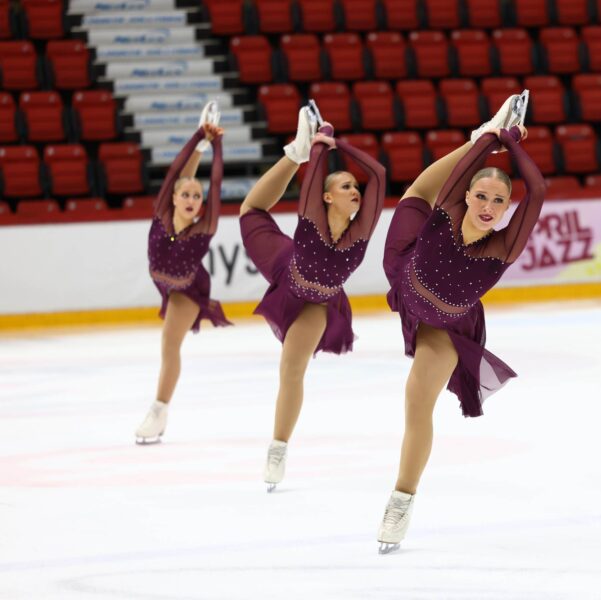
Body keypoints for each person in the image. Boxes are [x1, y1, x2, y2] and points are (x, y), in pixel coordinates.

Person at [377, 93, 546, 553]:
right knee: (415, 193)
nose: (489, 206)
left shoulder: (502, 247)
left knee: (417, 402)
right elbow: (447, 182)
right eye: (482, 196)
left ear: (509, 206)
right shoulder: (447, 214)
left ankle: (401, 499)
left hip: (447, 325)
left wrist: (510, 144)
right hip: (406, 268)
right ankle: (479, 130)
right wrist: (487, 139)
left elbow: (540, 191)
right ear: (467, 195)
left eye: (499, 200)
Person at [238, 103, 386, 491]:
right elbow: (312, 180)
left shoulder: (361, 230)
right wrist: (316, 146)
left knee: (292, 370)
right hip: (285, 267)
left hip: (318, 302)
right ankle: (293, 153)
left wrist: (339, 146)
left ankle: (278, 447)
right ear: (326, 198)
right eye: (344, 186)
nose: (354, 190)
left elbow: (380, 174)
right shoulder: (311, 221)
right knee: (250, 209)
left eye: (355, 186)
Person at [135, 102, 229, 444]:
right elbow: (178, 172)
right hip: (163, 282)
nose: (191, 198)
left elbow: (216, 185)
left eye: (196, 196)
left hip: (188, 288)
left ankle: (158, 411)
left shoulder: (204, 227)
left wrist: (216, 144)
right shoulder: (161, 212)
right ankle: (159, 411)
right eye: (186, 194)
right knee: (168, 342)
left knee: (169, 343)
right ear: (174, 198)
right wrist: (198, 138)